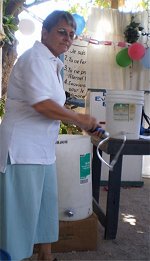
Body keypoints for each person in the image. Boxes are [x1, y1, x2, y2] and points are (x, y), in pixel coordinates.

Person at [0, 10, 101, 261]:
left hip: (42, 150)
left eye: (71, 35)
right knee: (20, 216)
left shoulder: (53, 64)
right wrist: (80, 119)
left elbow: (54, 107)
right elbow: (42, 105)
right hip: (22, 151)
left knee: (46, 208)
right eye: (61, 32)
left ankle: (46, 256)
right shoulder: (35, 58)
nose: (67, 38)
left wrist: (85, 124)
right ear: (44, 32)